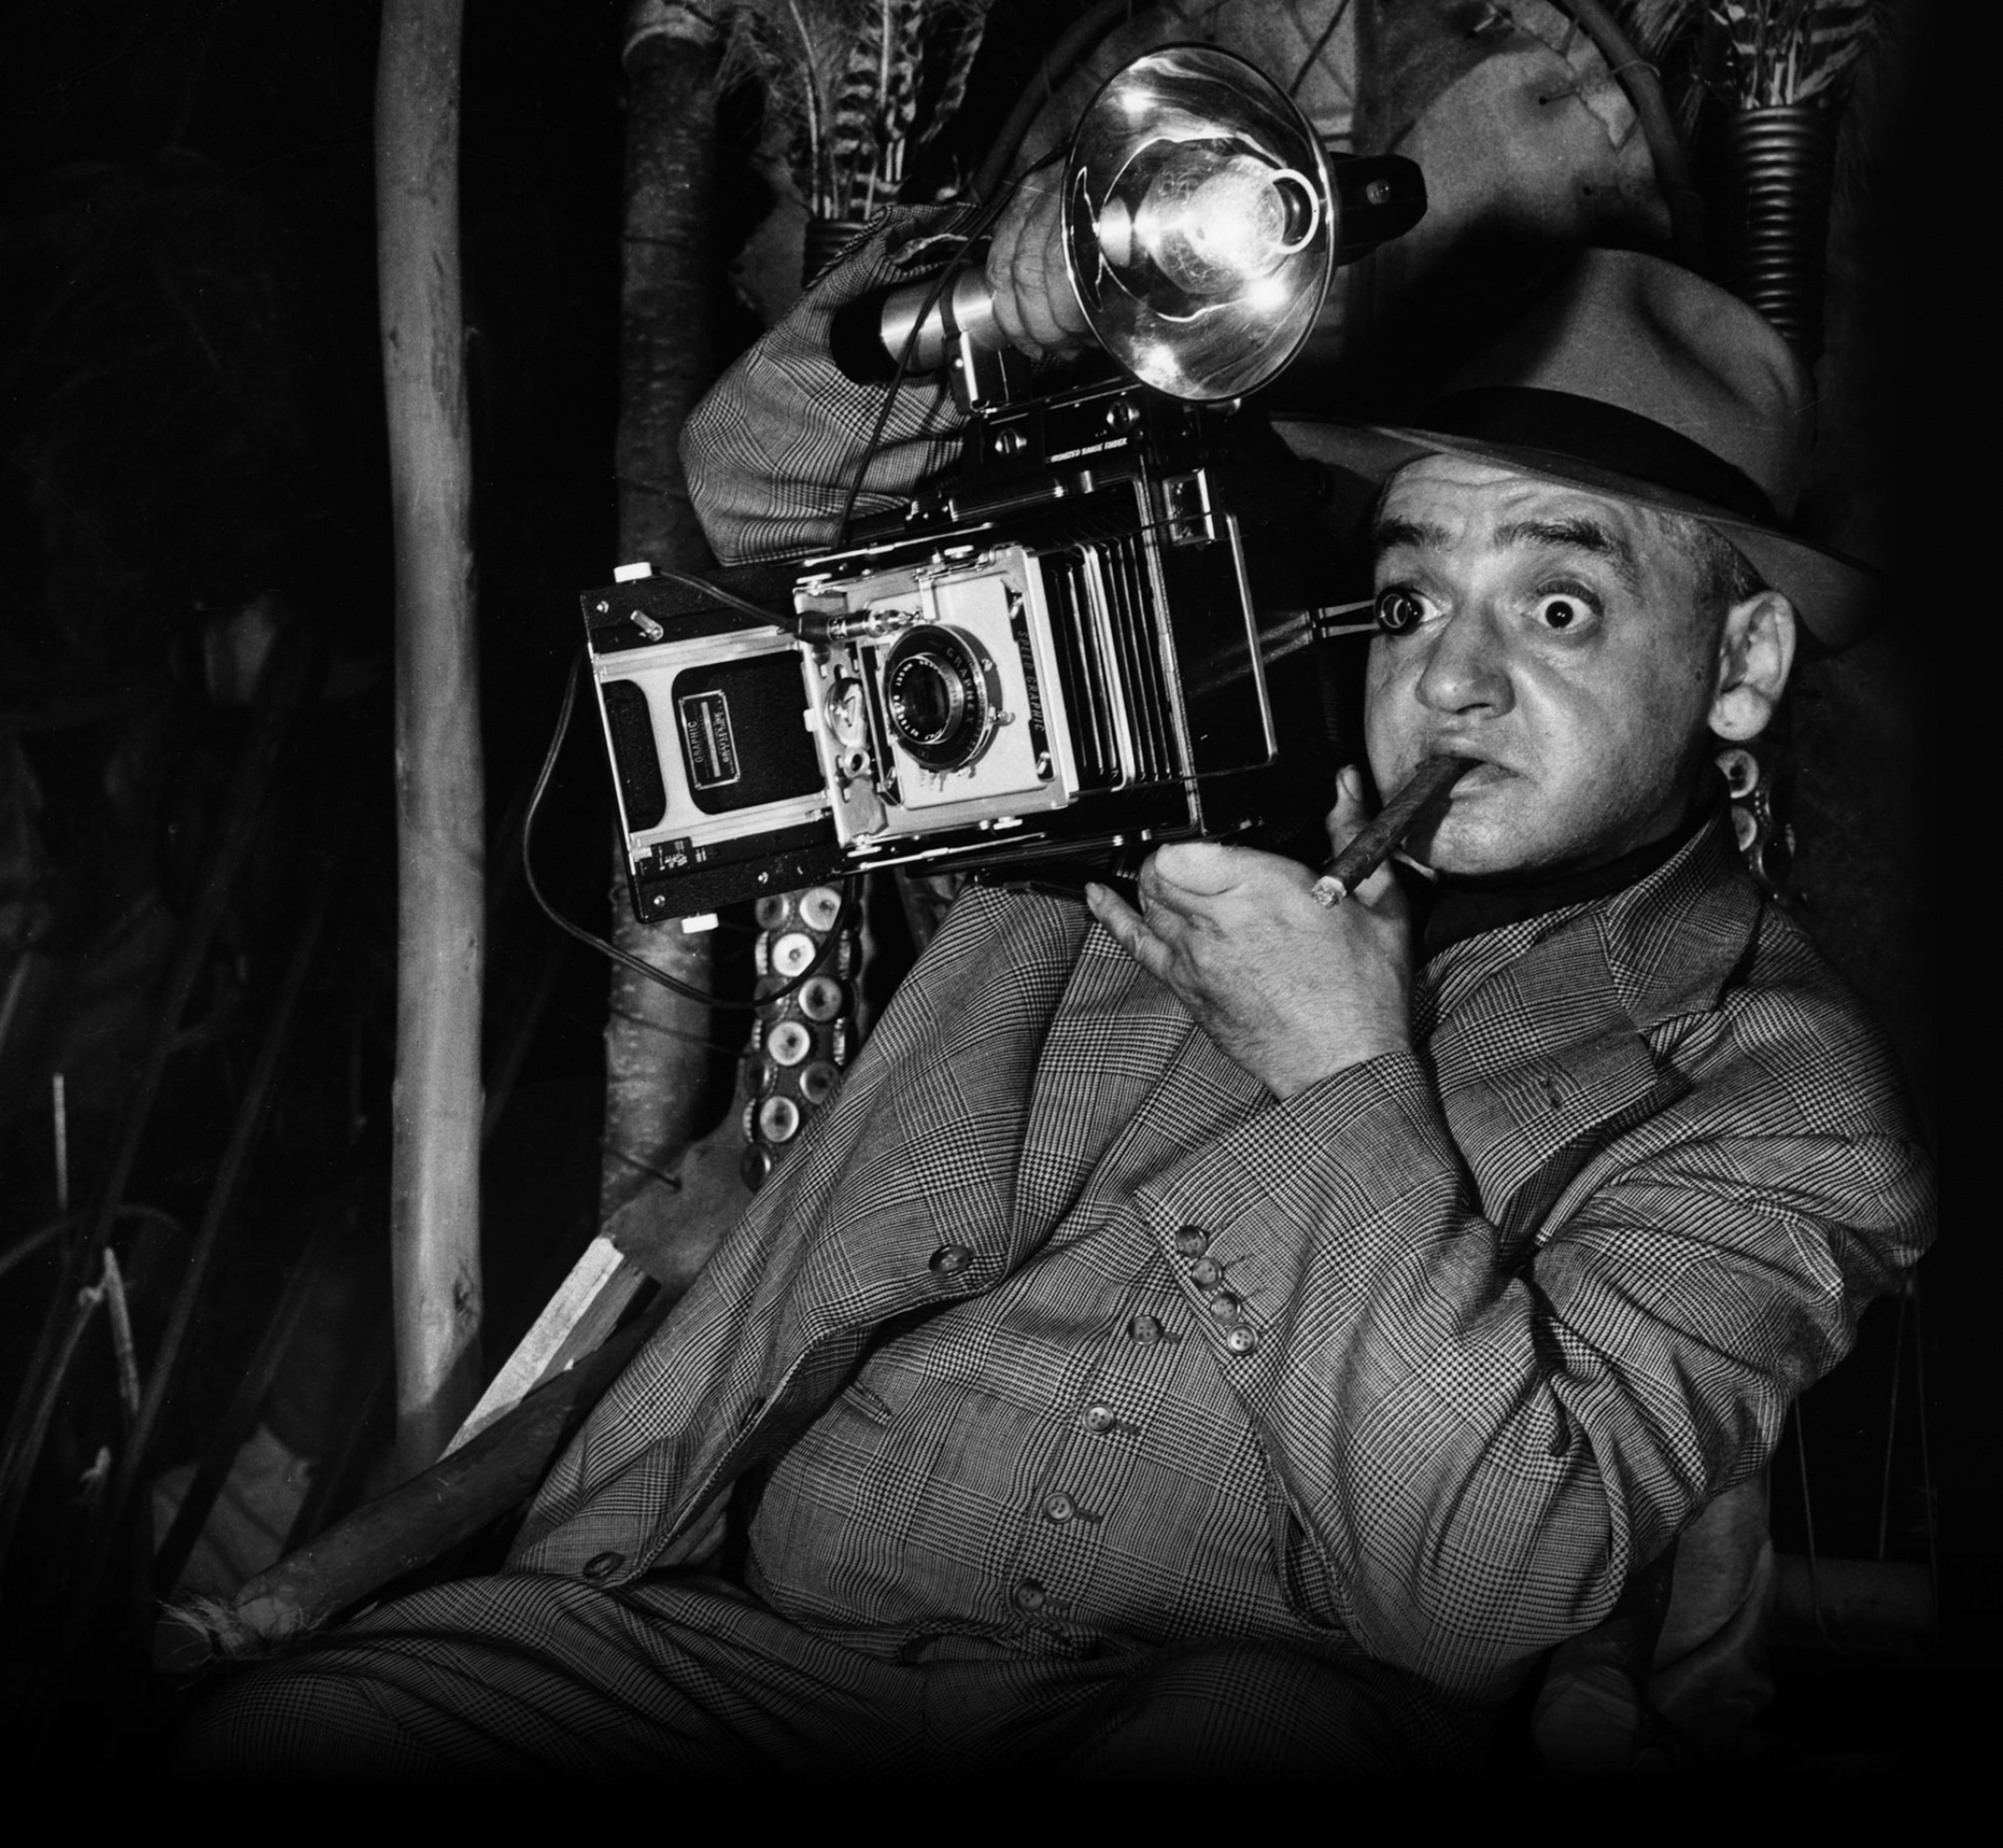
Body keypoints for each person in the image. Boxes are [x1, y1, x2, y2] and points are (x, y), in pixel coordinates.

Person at [182, 201, 1934, 1778]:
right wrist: (1011, 297)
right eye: (1410, 601)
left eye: (1558, 608)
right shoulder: (1181, 765)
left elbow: (1488, 1578)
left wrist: (1338, 1066)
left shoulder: (1779, 1091)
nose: (1452, 682)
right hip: (750, 1646)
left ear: (1741, 661)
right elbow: (775, 491)